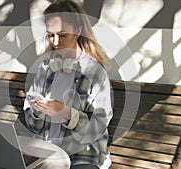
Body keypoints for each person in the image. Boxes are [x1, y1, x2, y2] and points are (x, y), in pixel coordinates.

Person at [23, 0, 113, 168]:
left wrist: (66, 113)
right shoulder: (45, 67)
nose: (55, 42)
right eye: (50, 35)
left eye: (62, 35)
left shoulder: (95, 72)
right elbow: (32, 123)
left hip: (82, 158)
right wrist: (36, 111)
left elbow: (97, 127)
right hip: (46, 151)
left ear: (78, 31)